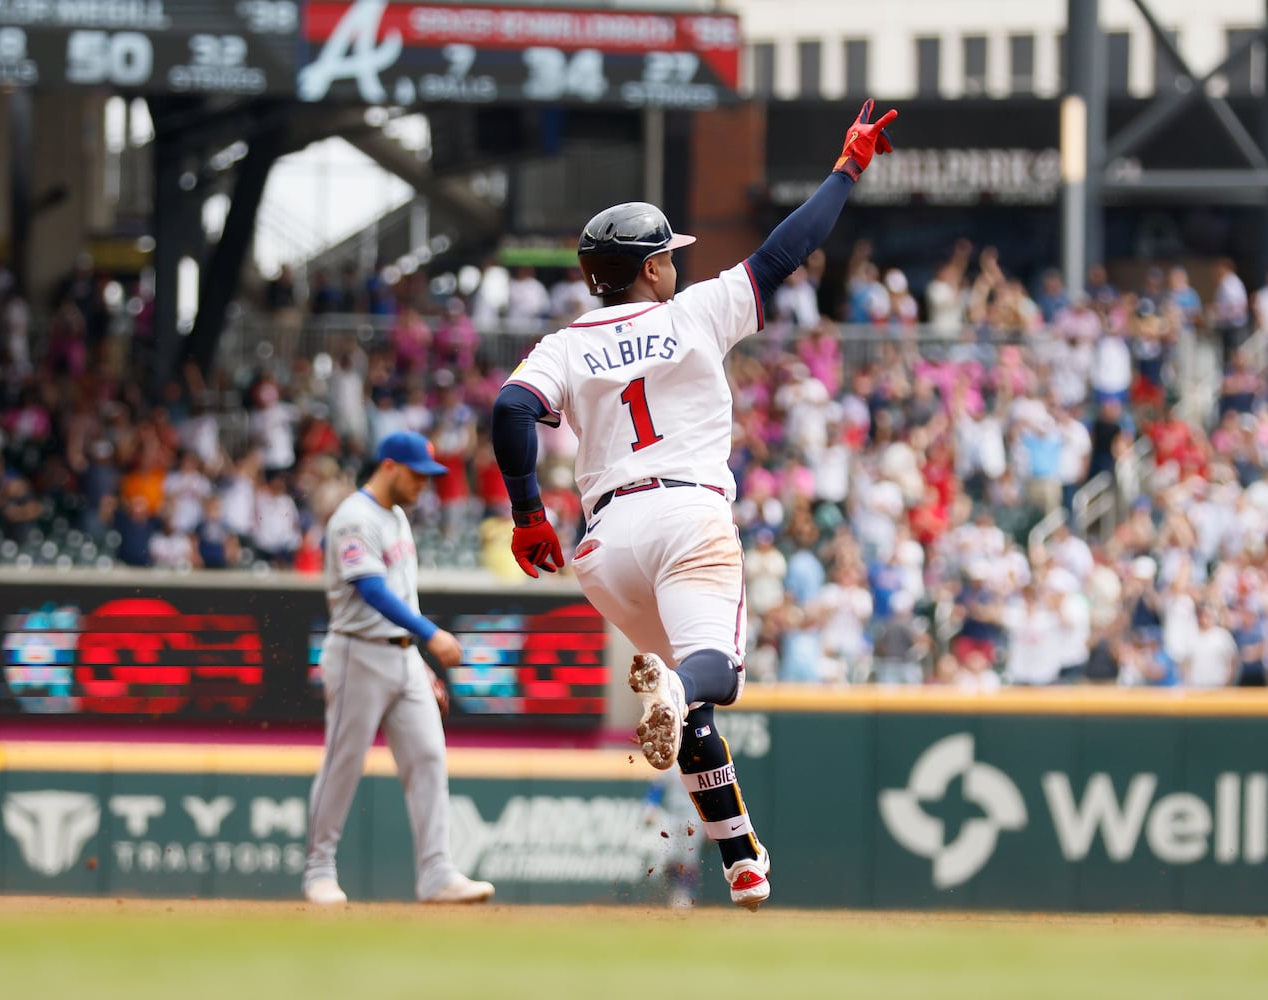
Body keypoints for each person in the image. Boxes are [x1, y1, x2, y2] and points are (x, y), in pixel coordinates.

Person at [491, 99, 899, 911]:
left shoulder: (563, 345)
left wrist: (530, 514)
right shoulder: (693, 313)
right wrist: (847, 168)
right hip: (686, 518)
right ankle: (678, 700)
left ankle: (740, 860)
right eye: (668, 254)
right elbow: (791, 248)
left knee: (689, 697)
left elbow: (509, 412)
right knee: (708, 684)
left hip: (604, 548)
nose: (676, 262)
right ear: (649, 269)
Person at [302, 431, 496, 906]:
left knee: (429, 757)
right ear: (389, 466)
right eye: (416, 474)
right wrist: (431, 635)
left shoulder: (398, 517)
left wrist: (418, 656)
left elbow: (402, 595)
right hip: (357, 652)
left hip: (402, 655)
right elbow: (371, 590)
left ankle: (437, 873)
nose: (424, 484)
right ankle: (319, 871)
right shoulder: (354, 516)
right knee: (343, 762)